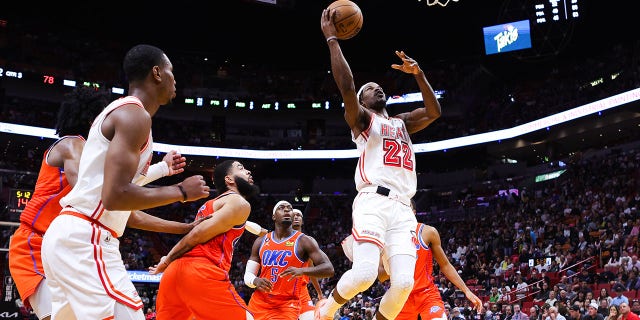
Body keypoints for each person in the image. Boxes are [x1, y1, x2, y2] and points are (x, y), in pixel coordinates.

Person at [40, 44, 211, 320]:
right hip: (88, 238)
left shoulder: (124, 113)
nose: (174, 79)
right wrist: (180, 191)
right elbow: (115, 196)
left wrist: (162, 169)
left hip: (69, 235)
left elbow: (114, 185)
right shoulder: (135, 115)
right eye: (171, 71)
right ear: (157, 73)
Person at [8, 86, 197, 320]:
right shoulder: (73, 145)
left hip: (62, 241)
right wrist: (170, 182)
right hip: (34, 243)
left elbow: (114, 197)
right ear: (93, 119)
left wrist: (163, 174)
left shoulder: (93, 165)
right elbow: (104, 192)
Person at [317, 7, 442, 320]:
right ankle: (325, 311)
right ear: (361, 100)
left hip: (403, 209)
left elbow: (434, 112)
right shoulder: (361, 119)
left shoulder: (401, 122)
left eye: (379, 86)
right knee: (364, 275)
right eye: (369, 88)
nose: (377, 88)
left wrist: (419, 75)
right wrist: (332, 39)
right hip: (373, 199)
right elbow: (346, 86)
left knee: (403, 283)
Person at [148, 159, 258, 319]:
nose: (248, 171)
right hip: (201, 271)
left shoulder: (210, 204)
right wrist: (167, 259)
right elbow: (197, 234)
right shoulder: (238, 202)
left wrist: (170, 261)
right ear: (229, 179)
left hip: (173, 275)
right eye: (241, 168)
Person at [341, 199, 482, 320]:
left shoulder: (428, 232)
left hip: (426, 294)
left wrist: (466, 291)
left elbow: (445, 265)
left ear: (413, 212)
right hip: (400, 296)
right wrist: (381, 259)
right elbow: (383, 276)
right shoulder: (386, 238)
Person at [245, 200, 334, 320]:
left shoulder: (305, 241)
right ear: (273, 216)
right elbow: (248, 275)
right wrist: (255, 280)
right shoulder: (261, 241)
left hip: (287, 302)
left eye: (290, 208)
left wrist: (302, 271)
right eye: (281, 208)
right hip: (259, 301)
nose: (287, 210)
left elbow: (329, 269)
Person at [292, 208, 327, 320]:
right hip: (284, 290)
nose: (296, 217)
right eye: (293, 215)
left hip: (302, 291)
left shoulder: (308, 241)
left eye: (299, 215)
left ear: (302, 221)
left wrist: (319, 293)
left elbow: (311, 269)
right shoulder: (281, 239)